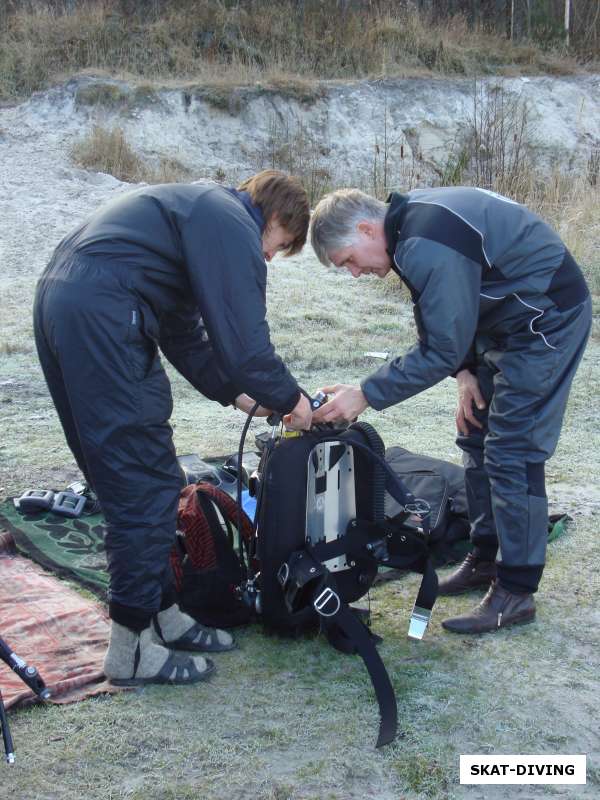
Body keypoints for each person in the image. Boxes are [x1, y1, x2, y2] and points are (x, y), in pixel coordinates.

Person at [33, 170, 313, 684]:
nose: (271, 257)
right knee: (144, 480)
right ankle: (131, 649)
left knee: (127, 477)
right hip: (105, 312)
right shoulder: (233, 223)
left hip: (65, 299)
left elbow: (185, 337)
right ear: (277, 218)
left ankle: (162, 612)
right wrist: (292, 400)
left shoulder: (192, 214)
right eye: (281, 246)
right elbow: (248, 343)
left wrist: (238, 395)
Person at [309, 186, 591, 634]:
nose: (354, 273)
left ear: (365, 228)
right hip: (501, 319)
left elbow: (440, 346)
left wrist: (364, 393)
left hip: (544, 319)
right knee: (475, 430)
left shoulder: (424, 239)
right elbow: (440, 314)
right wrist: (464, 372)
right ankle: (484, 558)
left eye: (347, 260)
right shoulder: (408, 232)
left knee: (512, 450)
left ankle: (516, 591)